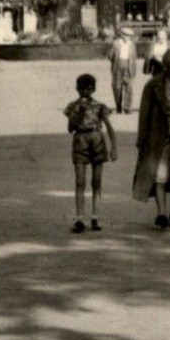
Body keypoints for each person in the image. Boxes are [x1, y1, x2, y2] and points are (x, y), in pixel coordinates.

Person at [132, 46, 170, 227]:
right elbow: (144, 114)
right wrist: (141, 140)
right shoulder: (153, 85)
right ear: (166, 64)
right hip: (161, 137)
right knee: (160, 176)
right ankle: (162, 214)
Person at [64, 73, 117, 233]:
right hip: (80, 139)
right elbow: (70, 128)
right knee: (80, 181)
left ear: (93, 89)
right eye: (82, 88)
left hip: (97, 139)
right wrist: (78, 112)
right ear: (77, 89)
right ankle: (79, 217)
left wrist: (114, 146)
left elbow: (108, 126)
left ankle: (95, 216)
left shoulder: (100, 106)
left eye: (89, 88)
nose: (86, 91)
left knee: (96, 181)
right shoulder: (73, 106)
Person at [108, 26, 136, 114]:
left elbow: (134, 57)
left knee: (129, 88)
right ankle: (118, 106)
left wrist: (133, 69)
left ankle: (127, 108)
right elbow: (110, 55)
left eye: (129, 36)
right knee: (117, 87)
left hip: (128, 66)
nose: (127, 38)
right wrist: (116, 63)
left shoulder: (132, 45)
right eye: (126, 35)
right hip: (118, 66)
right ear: (122, 35)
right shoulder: (116, 43)